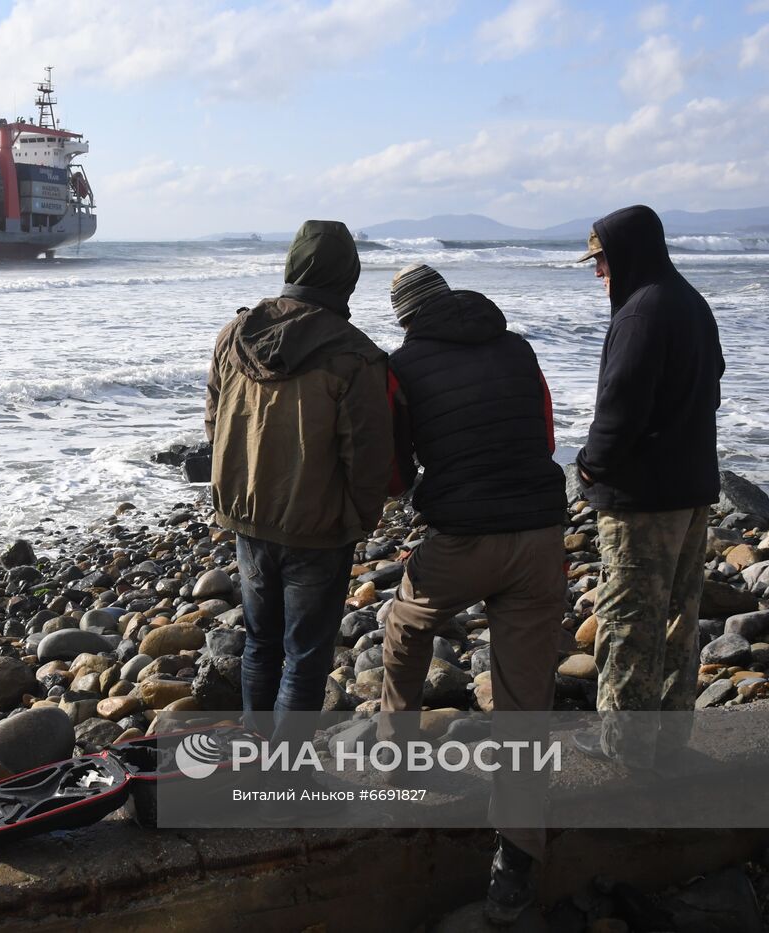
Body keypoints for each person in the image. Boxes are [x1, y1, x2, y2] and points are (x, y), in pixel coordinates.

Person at [378, 263, 566, 924]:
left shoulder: (401, 367)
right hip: (542, 537)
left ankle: (395, 755)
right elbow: (545, 436)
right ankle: (514, 865)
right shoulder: (517, 346)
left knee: (404, 623)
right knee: (524, 696)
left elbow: (399, 471)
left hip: (462, 541)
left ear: (404, 315)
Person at [204, 219, 393, 744]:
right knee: (305, 656)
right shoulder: (354, 354)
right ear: (347, 277)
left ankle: (252, 760)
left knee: (261, 642)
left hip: (246, 515)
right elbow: (369, 454)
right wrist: (359, 517)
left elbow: (214, 421)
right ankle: (284, 781)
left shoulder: (234, 336)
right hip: (317, 526)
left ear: (293, 264)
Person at [571, 205, 725, 771]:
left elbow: (620, 407)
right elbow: (714, 382)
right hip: (691, 487)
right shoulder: (689, 301)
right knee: (681, 619)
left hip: (643, 498)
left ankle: (626, 745)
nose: (597, 272)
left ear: (628, 253)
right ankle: (668, 738)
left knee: (630, 619)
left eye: (602, 259)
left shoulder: (640, 313)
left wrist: (590, 465)